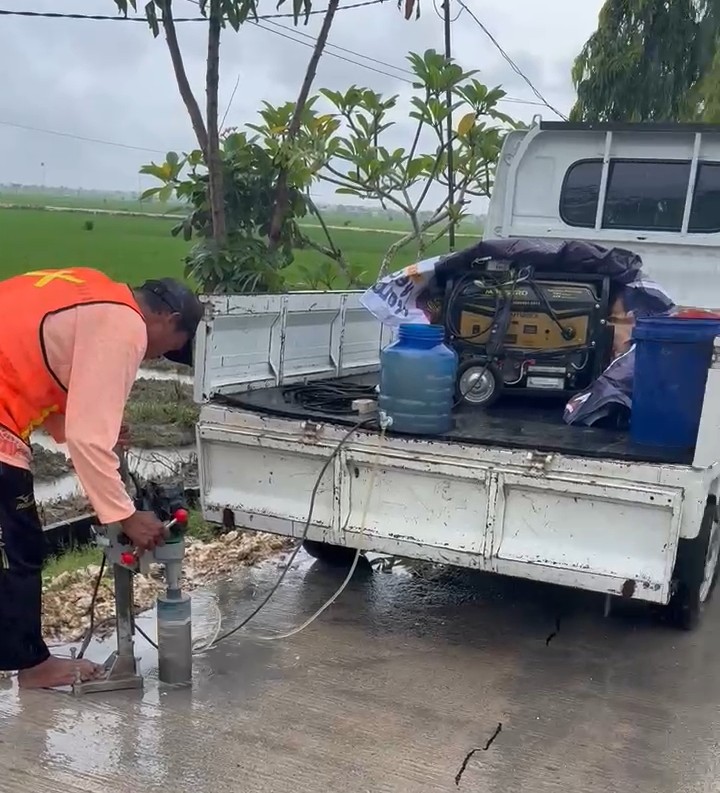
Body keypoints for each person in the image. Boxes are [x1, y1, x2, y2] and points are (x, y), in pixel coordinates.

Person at [0, 267, 203, 689]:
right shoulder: (125, 323)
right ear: (166, 318)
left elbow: (41, 362)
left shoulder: (94, 290)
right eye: (170, 349)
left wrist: (96, 424)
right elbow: (86, 439)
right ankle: (33, 666)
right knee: (20, 546)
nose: (157, 357)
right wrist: (126, 516)